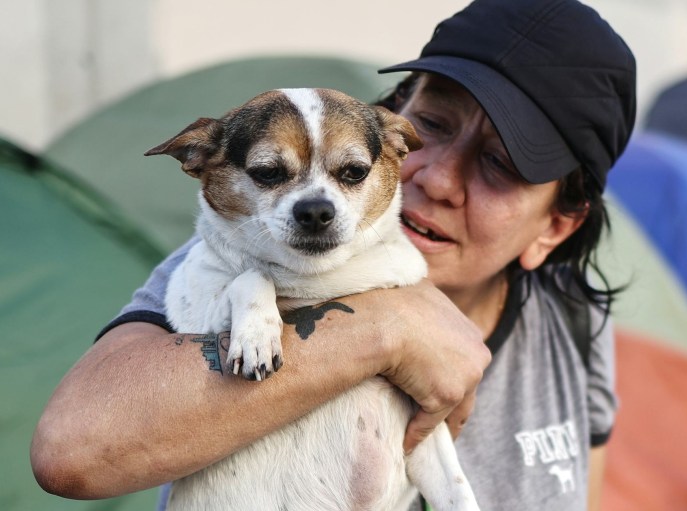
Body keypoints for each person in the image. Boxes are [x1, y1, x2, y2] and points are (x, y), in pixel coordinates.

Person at [30, 0, 636, 509]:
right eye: (431, 123)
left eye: (501, 165)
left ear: (555, 228)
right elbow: (69, 454)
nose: (438, 176)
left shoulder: (575, 320)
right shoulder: (249, 255)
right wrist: (390, 327)